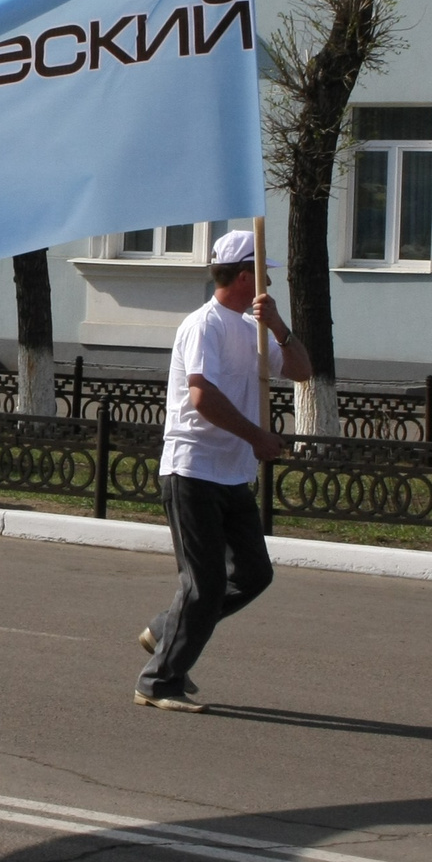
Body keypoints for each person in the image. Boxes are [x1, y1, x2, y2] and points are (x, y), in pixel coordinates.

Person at [134, 229, 311, 712]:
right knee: (205, 584)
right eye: (264, 271)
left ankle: (166, 630)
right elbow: (201, 395)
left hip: (232, 475)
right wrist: (257, 436)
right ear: (245, 274)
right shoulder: (204, 324)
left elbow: (301, 370)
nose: (270, 279)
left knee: (253, 574)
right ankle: (159, 682)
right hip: (192, 469)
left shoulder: (254, 328)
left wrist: (279, 328)